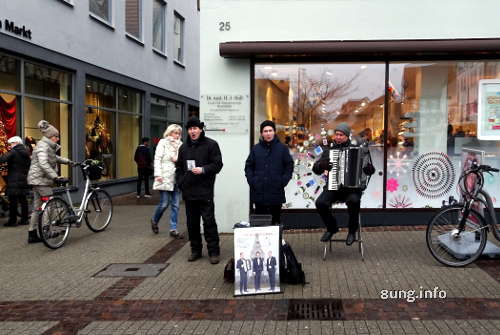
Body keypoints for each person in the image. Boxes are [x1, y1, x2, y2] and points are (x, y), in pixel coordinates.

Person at [313, 122, 375, 246]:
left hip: (352, 189)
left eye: (341, 135)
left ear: (347, 136)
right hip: (333, 188)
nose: (338, 137)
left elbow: (370, 169)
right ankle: (332, 228)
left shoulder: (357, 151)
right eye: (336, 134)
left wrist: (369, 170)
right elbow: (316, 168)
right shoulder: (329, 151)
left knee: (353, 201)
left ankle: (352, 231)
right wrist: (321, 165)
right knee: (320, 203)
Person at [175, 117, 223, 264]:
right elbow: (179, 169)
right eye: (190, 129)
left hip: (205, 191)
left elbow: (218, 165)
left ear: (200, 129)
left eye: (195, 128)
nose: (192, 131)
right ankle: (195, 250)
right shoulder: (183, 148)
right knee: (192, 224)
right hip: (189, 193)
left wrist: (203, 170)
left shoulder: (211, 145)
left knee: (209, 222)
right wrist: (181, 183)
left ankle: (213, 252)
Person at [27, 120, 73, 244]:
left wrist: (68, 162)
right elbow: (43, 163)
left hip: (37, 180)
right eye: (55, 137)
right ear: (49, 136)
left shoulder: (45, 146)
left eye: (57, 136)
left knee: (37, 208)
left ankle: (32, 234)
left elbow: (54, 158)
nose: (57, 139)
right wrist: (55, 177)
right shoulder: (43, 146)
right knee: (50, 204)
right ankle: (46, 232)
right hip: (41, 180)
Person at [245, 120, 293, 225]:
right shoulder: (255, 149)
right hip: (259, 193)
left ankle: (278, 241)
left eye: (270, 130)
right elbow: (248, 166)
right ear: (262, 133)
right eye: (265, 131)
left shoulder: (282, 148)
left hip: (276, 192)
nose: (268, 133)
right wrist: (252, 181)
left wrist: (283, 181)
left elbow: (289, 166)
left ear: (274, 132)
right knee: (261, 224)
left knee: (275, 224)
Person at [151, 124, 183, 238]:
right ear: (169, 133)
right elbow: (157, 158)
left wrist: (178, 160)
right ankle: (154, 220)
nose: (177, 135)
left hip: (176, 177)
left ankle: (173, 229)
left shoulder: (181, 145)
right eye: (175, 133)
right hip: (164, 176)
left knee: (176, 205)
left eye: (179, 133)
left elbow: (182, 160)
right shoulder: (163, 142)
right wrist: (158, 174)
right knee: (164, 204)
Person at [0, 136, 31, 227]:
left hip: (14, 179)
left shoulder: (13, 152)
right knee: (23, 200)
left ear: (16, 143)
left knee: (13, 200)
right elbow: (29, 164)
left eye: (11, 144)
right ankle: (24, 219)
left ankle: (12, 221)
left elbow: (2, 160)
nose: (10, 146)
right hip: (23, 178)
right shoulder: (26, 152)